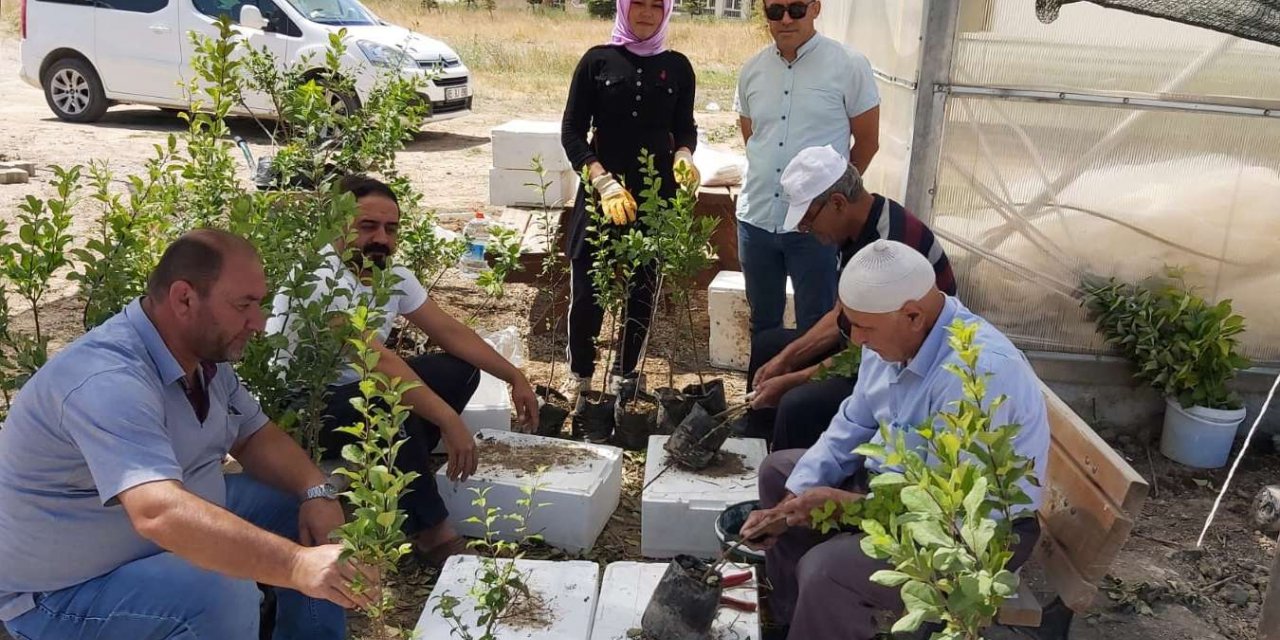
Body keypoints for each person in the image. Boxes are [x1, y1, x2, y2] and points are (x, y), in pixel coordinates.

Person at [0, 230, 367, 640]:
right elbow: (159, 513)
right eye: (244, 305)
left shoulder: (201, 356)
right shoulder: (108, 381)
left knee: (292, 505)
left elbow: (253, 435)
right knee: (222, 592)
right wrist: (297, 565)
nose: (259, 322)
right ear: (184, 299)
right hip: (64, 594)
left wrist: (316, 490)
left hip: (149, 537)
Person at [739, 240, 1050, 640]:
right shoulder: (889, 338)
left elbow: (945, 514)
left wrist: (844, 506)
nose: (858, 341)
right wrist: (789, 502)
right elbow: (848, 427)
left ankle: (817, 616)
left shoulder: (976, 376)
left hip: (973, 534)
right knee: (781, 473)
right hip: (896, 491)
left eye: (865, 329)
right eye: (852, 326)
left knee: (826, 570)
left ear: (913, 315)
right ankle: (792, 622)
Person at [265, 175, 540, 568]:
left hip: (356, 395)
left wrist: (515, 376)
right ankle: (431, 534)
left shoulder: (388, 273)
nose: (381, 238)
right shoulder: (321, 281)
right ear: (335, 225)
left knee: (459, 371)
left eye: (390, 228)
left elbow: (449, 331)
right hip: (303, 413)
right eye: (367, 226)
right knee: (387, 400)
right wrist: (447, 419)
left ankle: (398, 469)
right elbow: (379, 362)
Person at [742, 145, 956, 450]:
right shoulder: (856, 229)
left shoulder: (888, 245)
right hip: (869, 341)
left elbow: (864, 352)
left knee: (797, 403)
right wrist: (786, 358)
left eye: (808, 219)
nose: (805, 229)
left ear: (838, 203)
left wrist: (793, 379)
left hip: (901, 360)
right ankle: (755, 446)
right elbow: (843, 315)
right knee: (769, 346)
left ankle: (787, 474)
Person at [560, 0, 699, 409]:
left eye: (656, 5)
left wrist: (685, 155)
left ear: (666, 12)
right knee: (588, 292)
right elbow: (572, 133)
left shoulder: (678, 67)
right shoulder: (596, 62)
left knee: (642, 292)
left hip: (656, 201)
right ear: (623, 7)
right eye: (637, 3)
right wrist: (601, 181)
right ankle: (580, 378)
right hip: (603, 195)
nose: (646, 13)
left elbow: (684, 126)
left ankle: (625, 376)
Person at [734, 0, 881, 340]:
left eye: (796, 9)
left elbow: (868, 142)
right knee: (762, 324)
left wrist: (830, 201)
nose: (786, 19)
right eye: (775, 11)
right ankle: (762, 392)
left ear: (816, 8)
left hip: (816, 227)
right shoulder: (752, 69)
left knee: (816, 327)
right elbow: (753, 138)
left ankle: (805, 394)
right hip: (756, 219)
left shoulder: (848, 65)